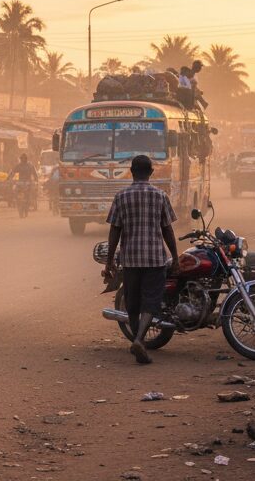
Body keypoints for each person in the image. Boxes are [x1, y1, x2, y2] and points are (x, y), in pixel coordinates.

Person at [101, 154, 179, 365]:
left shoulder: (121, 196)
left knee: (132, 302)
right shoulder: (160, 195)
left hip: (130, 259)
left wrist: (109, 262)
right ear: (151, 172)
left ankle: (138, 341)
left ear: (131, 172)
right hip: (154, 259)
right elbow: (167, 230)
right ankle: (138, 340)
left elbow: (114, 231)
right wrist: (176, 257)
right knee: (151, 302)